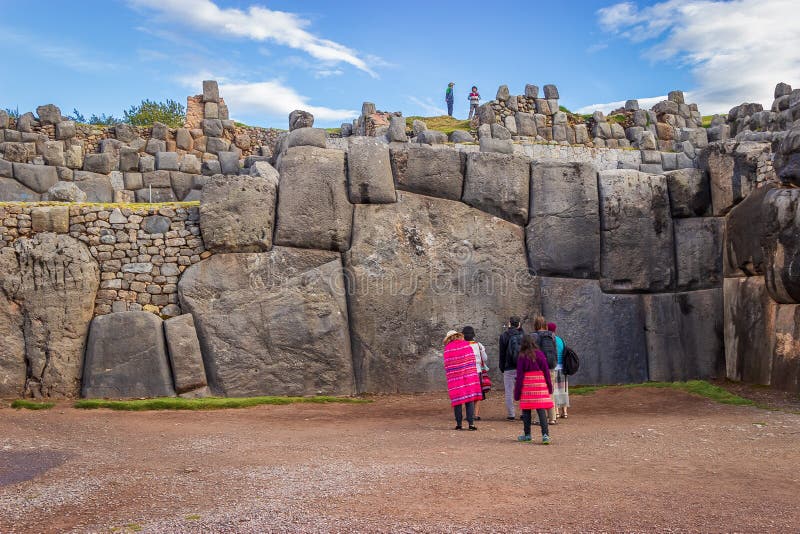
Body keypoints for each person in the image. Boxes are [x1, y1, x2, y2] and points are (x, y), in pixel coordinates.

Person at [514, 334, 554, 444]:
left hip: (527, 386)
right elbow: (546, 372)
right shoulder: (540, 354)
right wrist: (549, 387)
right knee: (541, 410)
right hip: (539, 385)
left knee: (526, 411)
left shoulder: (522, 356)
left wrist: (517, 393)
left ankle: (527, 435)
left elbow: (520, 376)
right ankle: (545, 435)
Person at [442, 330, 482, 431]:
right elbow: (471, 361)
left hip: (455, 379)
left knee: (457, 401)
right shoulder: (466, 345)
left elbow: (448, 365)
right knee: (469, 400)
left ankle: (459, 424)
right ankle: (471, 424)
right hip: (468, 376)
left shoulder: (447, 349)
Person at [532, 315, 558, 425]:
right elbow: (555, 351)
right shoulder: (552, 335)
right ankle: (552, 418)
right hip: (551, 367)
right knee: (550, 391)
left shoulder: (533, 336)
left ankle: (538, 418)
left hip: (538, 368)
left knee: (538, 393)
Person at [498, 316, 524, 421]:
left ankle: (511, 414)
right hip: (521, 366)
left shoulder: (504, 336)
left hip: (508, 367)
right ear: (519, 324)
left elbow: (502, 353)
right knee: (523, 390)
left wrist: (502, 366)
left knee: (509, 391)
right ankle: (524, 412)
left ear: (509, 324)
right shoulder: (524, 335)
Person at [462, 326, 489, 421]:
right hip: (477, 372)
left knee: (468, 393)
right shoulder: (479, 345)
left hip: (465, 373)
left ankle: (468, 415)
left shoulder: (461, 345)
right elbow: (485, 358)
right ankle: (476, 415)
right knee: (478, 393)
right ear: (473, 335)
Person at [548, 322, 569, 419]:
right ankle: (564, 412)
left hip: (554, 368)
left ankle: (556, 412)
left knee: (554, 390)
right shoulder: (561, 340)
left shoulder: (549, 340)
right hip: (563, 368)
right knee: (563, 390)